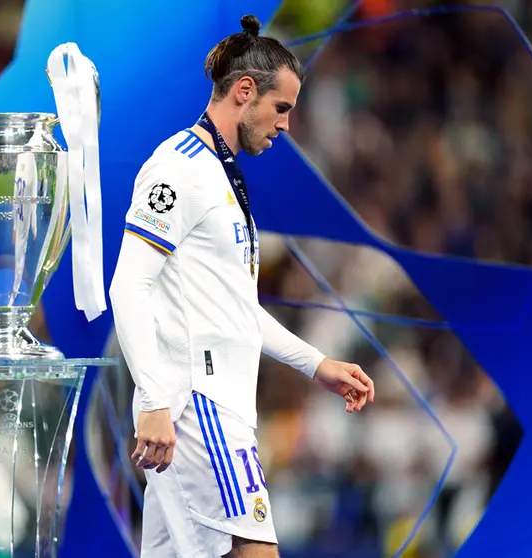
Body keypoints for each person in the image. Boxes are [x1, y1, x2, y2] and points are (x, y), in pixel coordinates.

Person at [109, 14, 376, 558]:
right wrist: (155, 401)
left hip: (215, 411)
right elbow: (128, 284)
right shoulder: (177, 168)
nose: (285, 126)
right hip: (197, 411)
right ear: (244, 92)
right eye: (281, 108)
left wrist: (316, 364)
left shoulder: (222, 176)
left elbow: (236, 310)